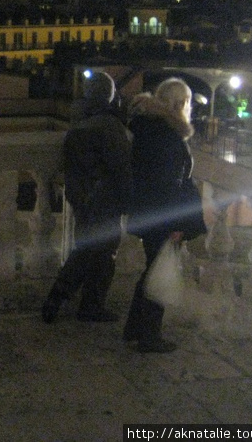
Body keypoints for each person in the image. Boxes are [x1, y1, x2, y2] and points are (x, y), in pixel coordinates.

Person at [123, 77, 207, 353]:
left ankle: (134, 328)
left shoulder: (148, 128)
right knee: (160, 274)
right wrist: (176, 224)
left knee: (152, 269)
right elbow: (169, 185)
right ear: (181, 104)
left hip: (148, 212)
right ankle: (148, 336)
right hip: (162, 216)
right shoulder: (167, 135)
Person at [42, 71, 132, 323]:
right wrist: (127, 202)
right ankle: (83, 304)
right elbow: (121, 167)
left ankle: (65, 299)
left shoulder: (78, 124)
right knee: (102, 255)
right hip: (105, 201)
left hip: (82, 199)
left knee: (85, 250)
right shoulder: (110, 126)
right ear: (109, 95)